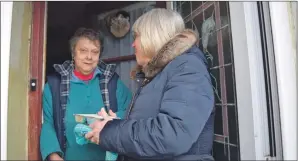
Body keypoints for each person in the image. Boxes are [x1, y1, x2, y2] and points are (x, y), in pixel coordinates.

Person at [85, 8, 215, 161]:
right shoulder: (159, 73)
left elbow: (172, 135)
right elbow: (148, 123)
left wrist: (109, 132)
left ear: (153, 36)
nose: (133, 44)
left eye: (137, 37)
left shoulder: (187, 68)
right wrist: (114, 124)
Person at [40, 28, 132, 160]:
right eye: (83, 51)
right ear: (73, 53)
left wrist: (113, 119)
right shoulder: (54, 86)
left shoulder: (112, 83)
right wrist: (53, 155)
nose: (89, 57)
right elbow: (48, 124)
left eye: (95, 52)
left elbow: (131, 111)